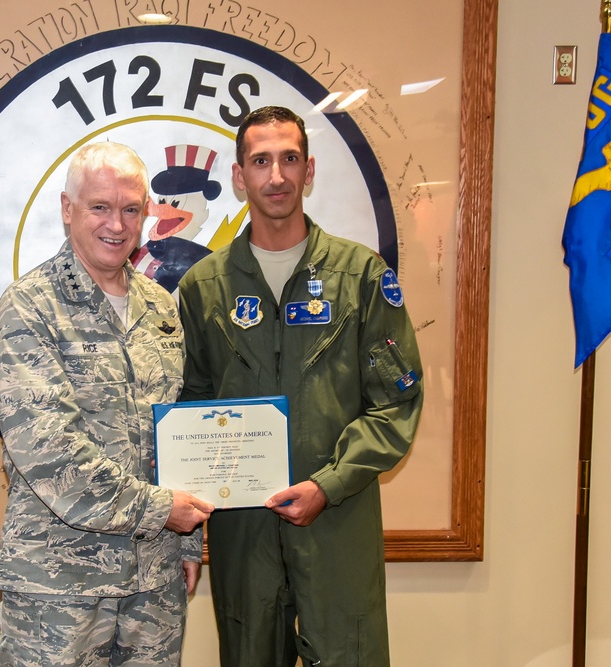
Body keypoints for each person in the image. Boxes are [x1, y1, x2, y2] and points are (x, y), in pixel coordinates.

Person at [177, 106, 424, 666]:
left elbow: (396, 403)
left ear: (309, 171)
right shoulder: (203, 289)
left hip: (338, 521)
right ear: (240, 177)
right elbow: (188, 410)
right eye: (260, 161)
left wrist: (329, 485)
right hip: (244, 531)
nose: (277, 176)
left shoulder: (360, 277)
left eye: (290, 159)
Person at [0, 141, 215, 667]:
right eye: (100, 207)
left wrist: (185, 544)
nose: (117, 224)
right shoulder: (29, 307)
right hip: (60, 585)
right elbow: (49, 451)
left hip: (152, 582)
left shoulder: (159, 306)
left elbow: (174, 429)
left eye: (131, 209)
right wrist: (163, 512)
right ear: (68, 209)